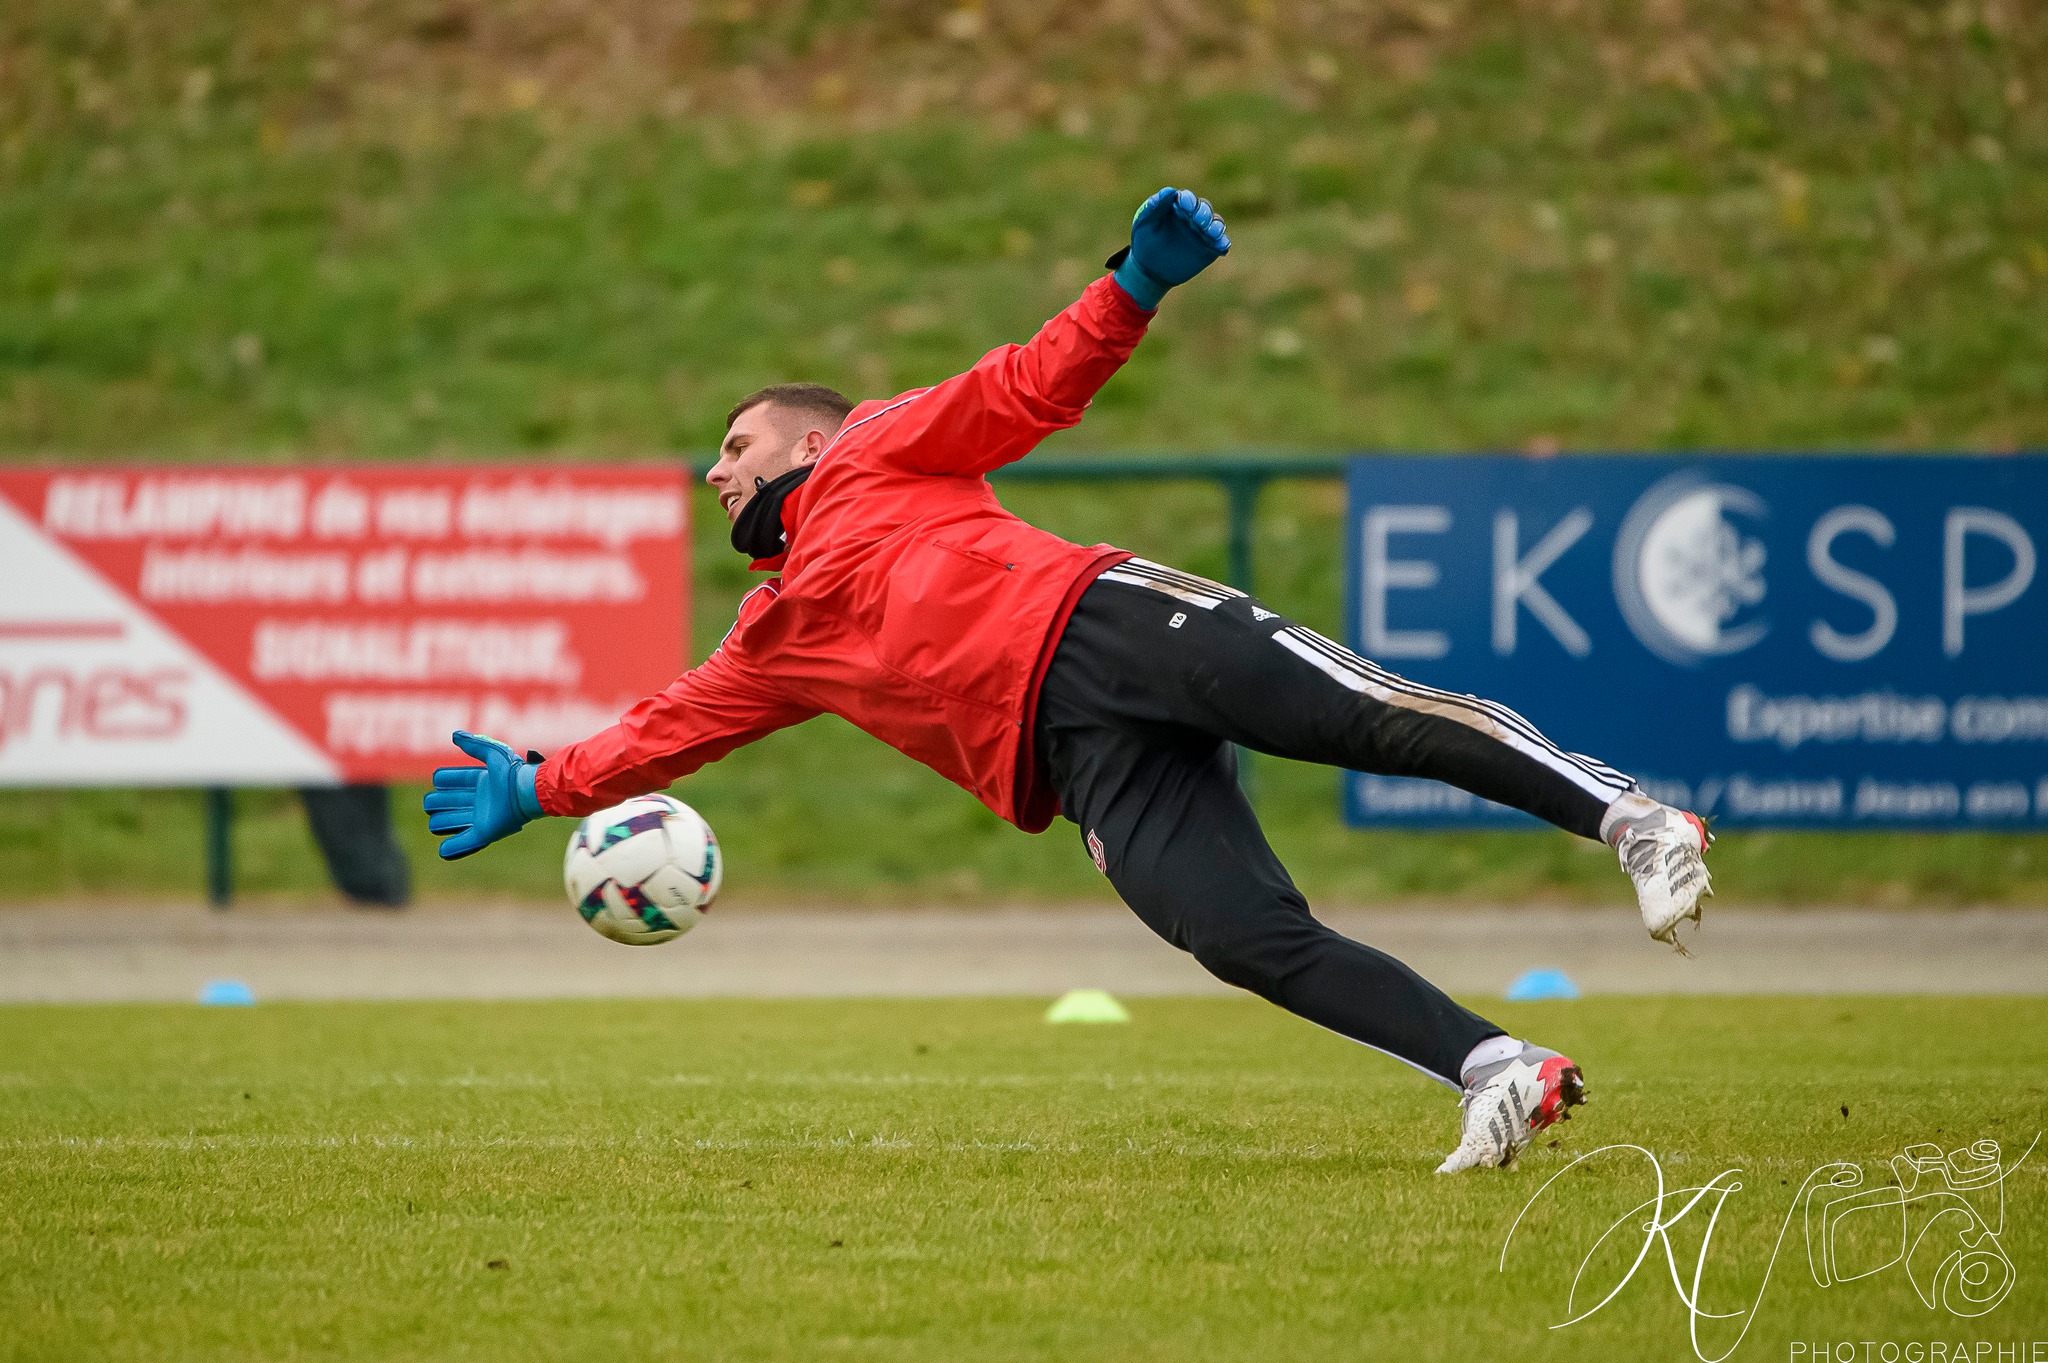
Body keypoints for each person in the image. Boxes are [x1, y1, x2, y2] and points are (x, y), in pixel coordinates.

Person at [423, 187, 1713, 1173]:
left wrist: (1134, 285)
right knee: (1240, 938)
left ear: (812, 440)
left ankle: (1639, 821)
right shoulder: (777, 637)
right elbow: (671, 729)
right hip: (1077, 764)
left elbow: (1022, 388)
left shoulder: (877, 451)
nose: (719, 471)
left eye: (737, 444)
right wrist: (542, 786)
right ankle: (1499, 1066)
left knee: (1374, 717)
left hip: (1105, 624)